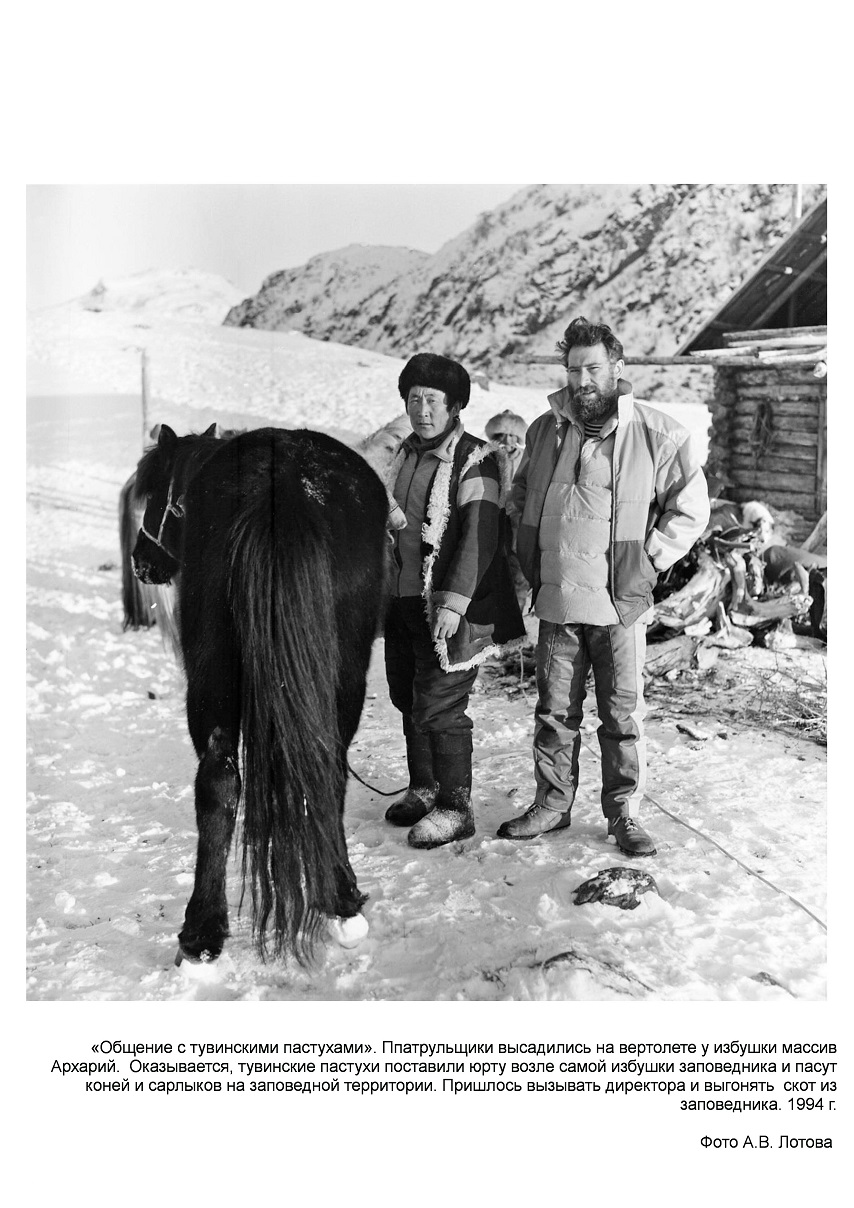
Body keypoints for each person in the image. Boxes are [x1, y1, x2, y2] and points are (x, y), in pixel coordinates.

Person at [497, 317, 710, 856]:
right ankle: (552, 804)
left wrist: (647, 561)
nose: (582, 380)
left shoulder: (658, 433)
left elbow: (691, 507)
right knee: (554, 713)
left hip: (619, 605)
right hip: (557, 599)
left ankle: (624, 815)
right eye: (574, 370)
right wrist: (532, 554)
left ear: (617, 367)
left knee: (621, 716)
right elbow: (519, 496)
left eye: (592, 368)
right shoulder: (544, 431)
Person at [383, 353, 526, 849]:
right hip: (403, 599)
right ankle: (424, 788)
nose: (422, 410)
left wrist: (454, 603)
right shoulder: (404, 455)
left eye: (433, 401)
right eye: (413, 399)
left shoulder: (474, 460)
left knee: (441, 705)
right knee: (408, 696)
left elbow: (480, 538)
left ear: (456, 406)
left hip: (453, 608)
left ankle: (455, 807)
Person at [484, 410, 531, 613]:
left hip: (519, 523)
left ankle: (517, 614)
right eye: (502, 435)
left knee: (518, 570)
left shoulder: (528, 459)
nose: (507, 440)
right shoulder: (488, 458)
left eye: (512, 435)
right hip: (493, 521)